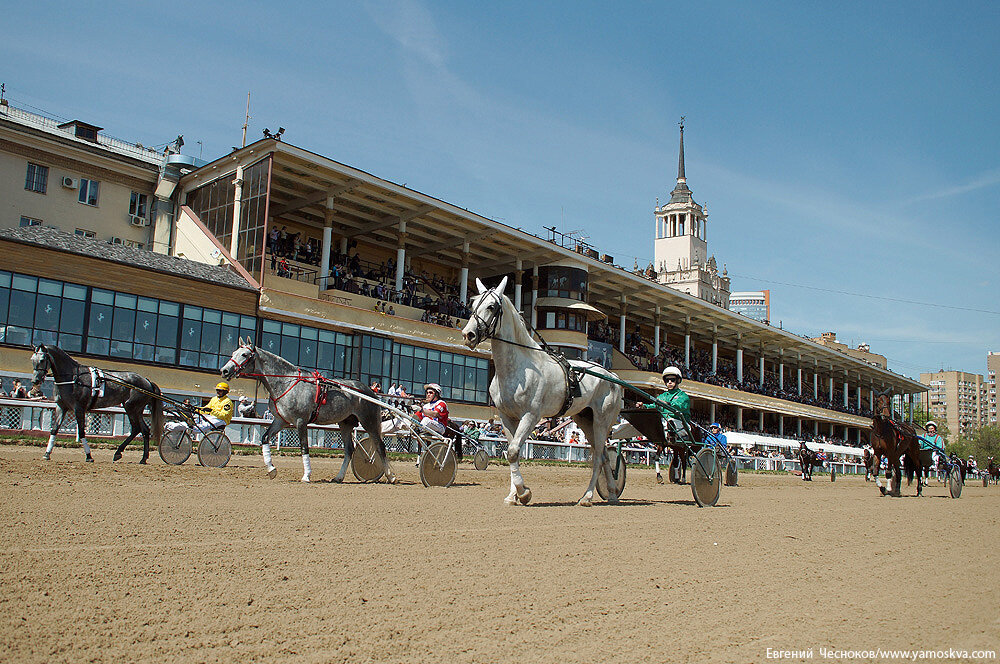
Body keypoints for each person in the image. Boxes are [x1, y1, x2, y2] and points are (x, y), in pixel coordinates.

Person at [167, 382, 233, 434]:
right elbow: (205, 409)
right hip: (211, 417)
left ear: (225, 392)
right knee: (196, 420)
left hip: (221, 420)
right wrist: (195, 409)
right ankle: (174, 426)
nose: (218, 392)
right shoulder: (214, 399)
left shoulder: (227, 402)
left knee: (203, 426)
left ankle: (191, 429)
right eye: (217, 390)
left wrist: (211, 411)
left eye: (220, 391)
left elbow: (224, 415)